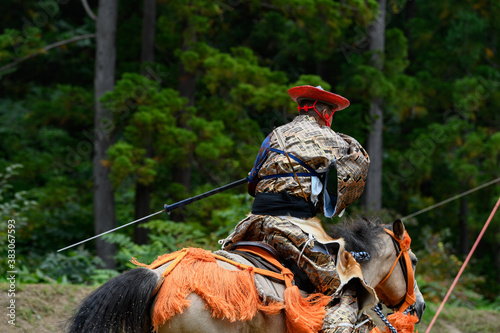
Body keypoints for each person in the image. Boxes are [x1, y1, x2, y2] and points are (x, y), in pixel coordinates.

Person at [220, 85, 376, 332]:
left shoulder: (273, 136)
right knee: (344, 286)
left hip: (253, 223)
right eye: (332, 113)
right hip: (294, 227)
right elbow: (360, 164)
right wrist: (337, 200)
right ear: (325, 113)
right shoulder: (335, 139)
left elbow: (252, 184)